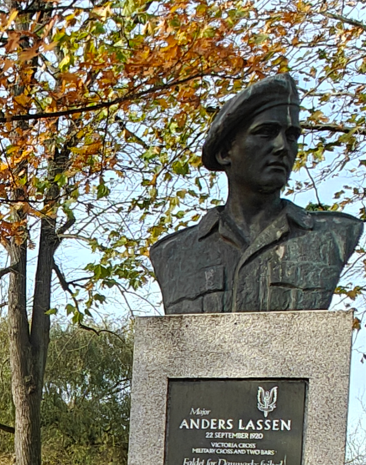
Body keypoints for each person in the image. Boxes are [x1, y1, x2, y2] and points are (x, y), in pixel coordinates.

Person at [149, 74, 363, 314]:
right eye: (266, 132)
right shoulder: (173, 253)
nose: (282, 146)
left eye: (291, 136)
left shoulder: (334, 235)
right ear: (225, 153)